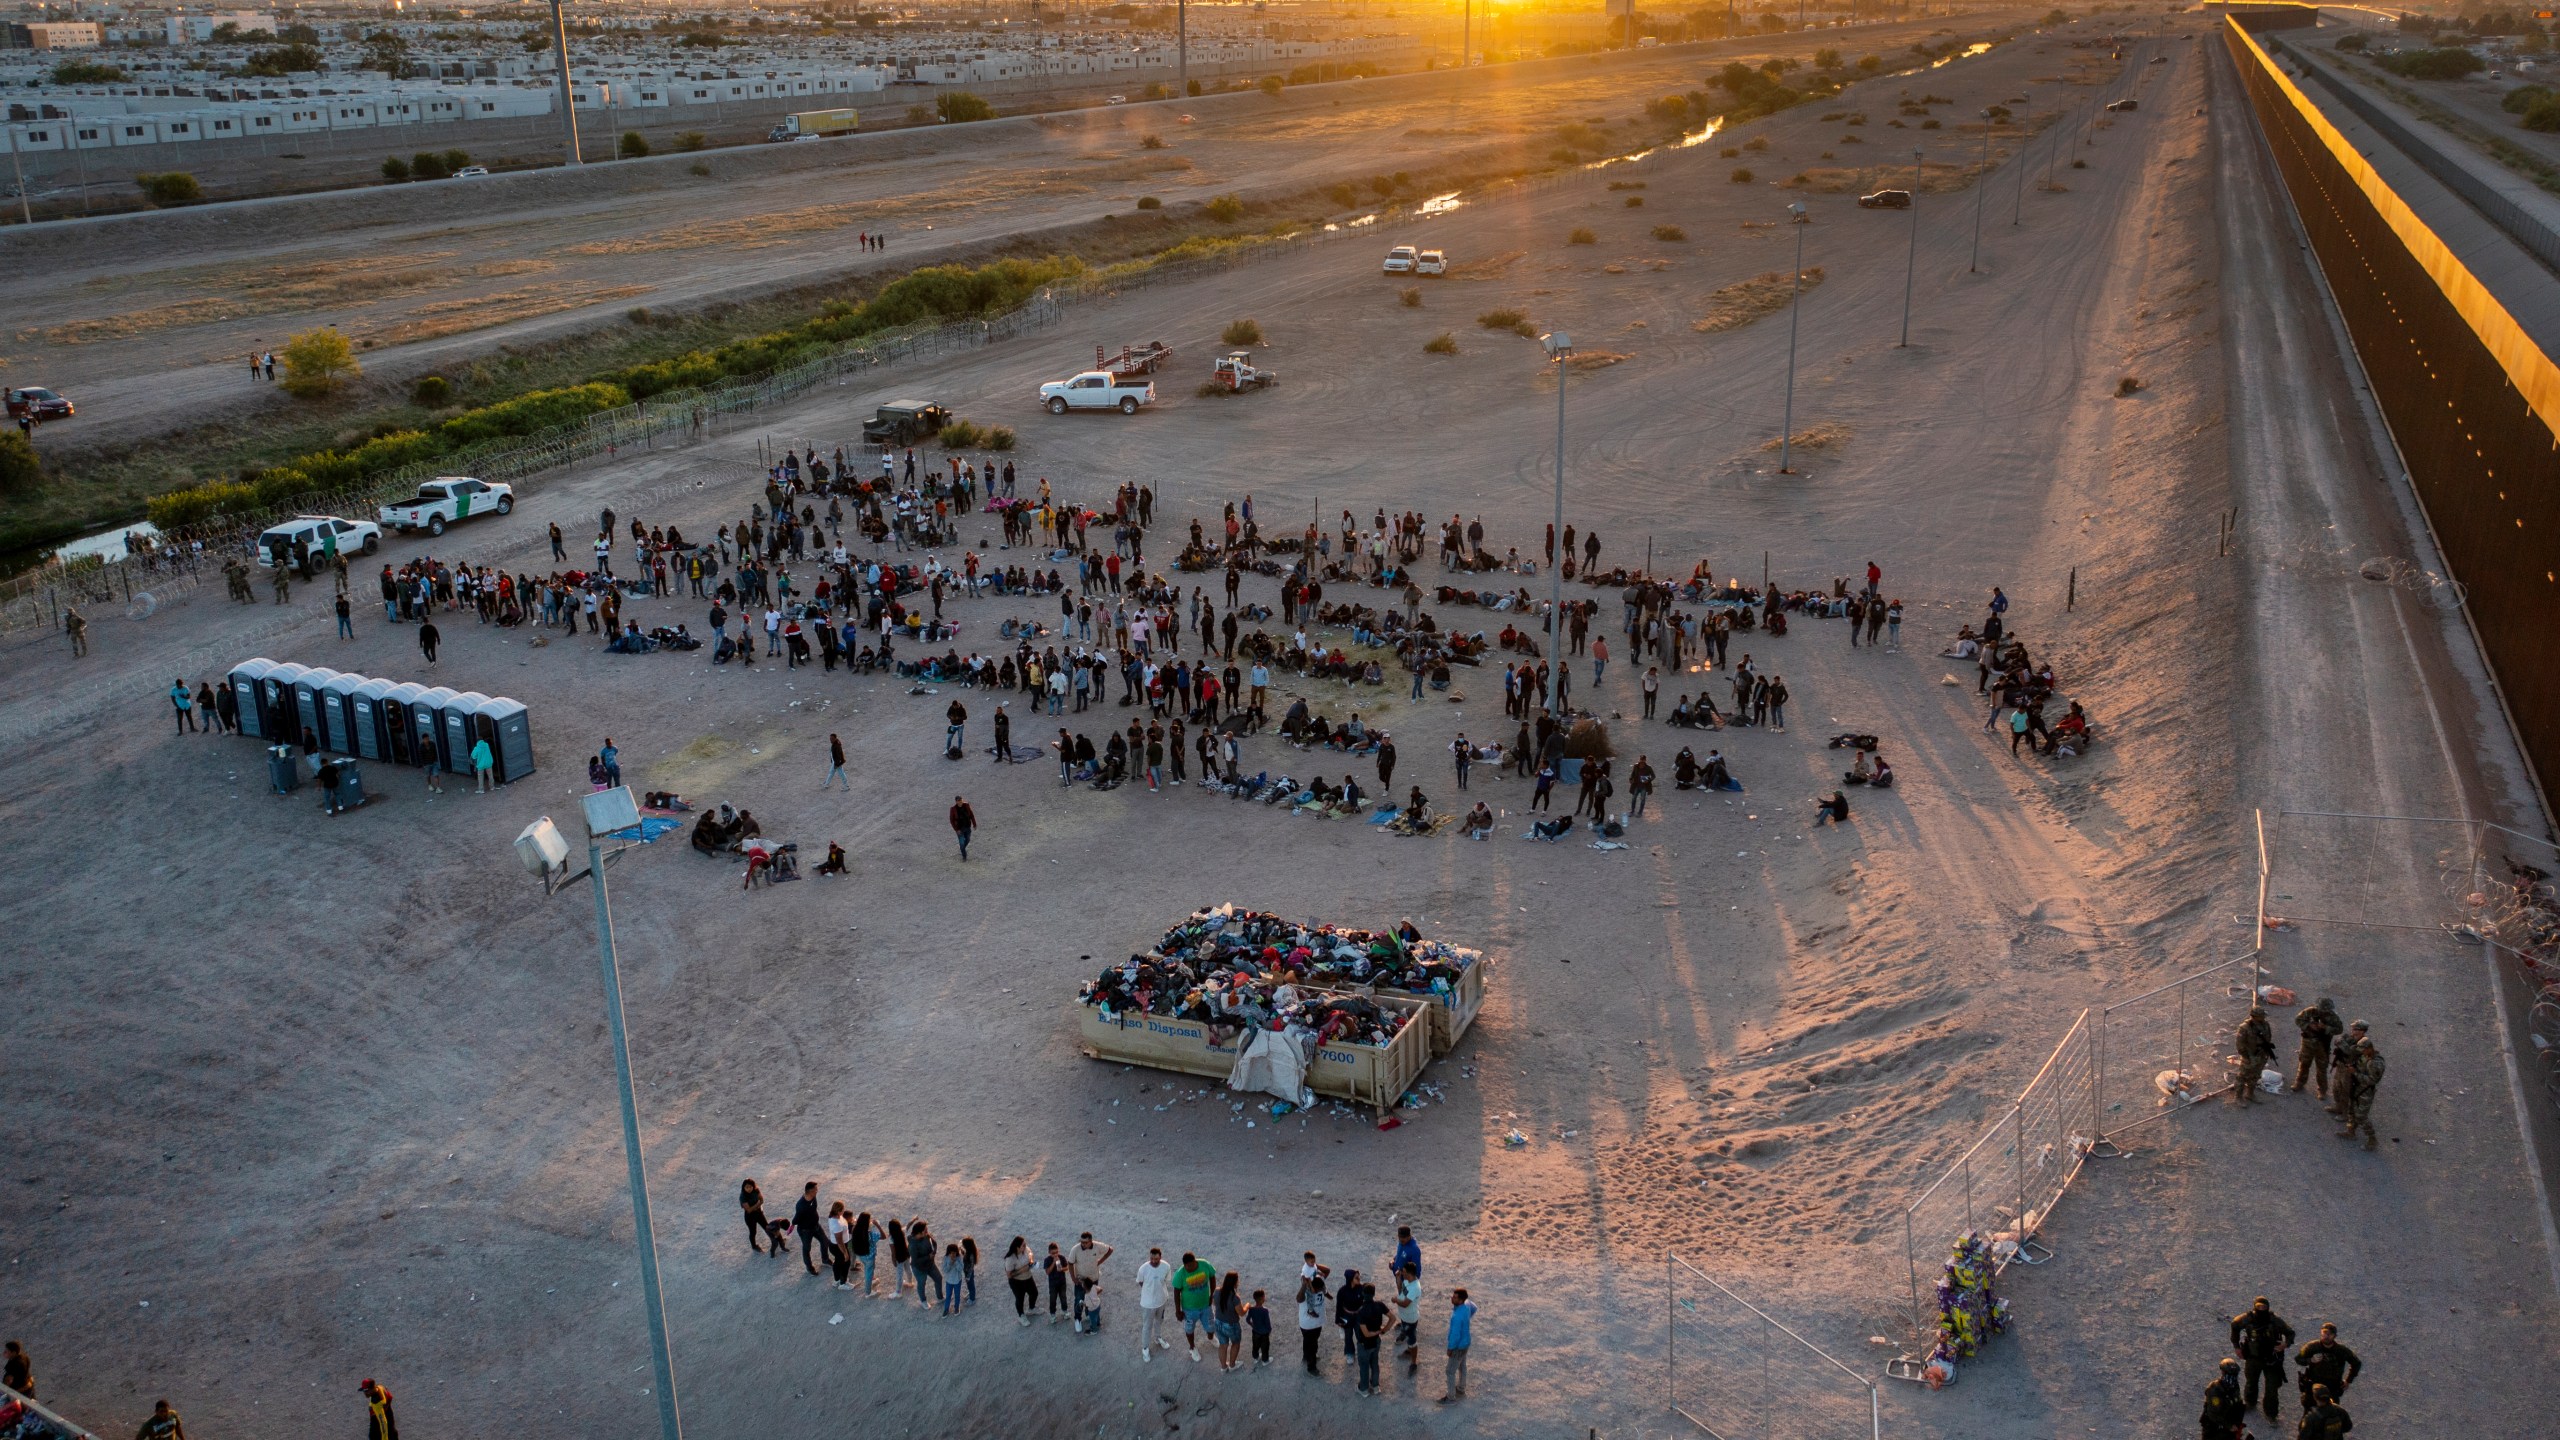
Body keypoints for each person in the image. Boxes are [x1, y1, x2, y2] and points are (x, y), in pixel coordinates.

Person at [2230, 1296, 2296, 1422]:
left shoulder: (2274, 1320)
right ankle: (2250, 1402)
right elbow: (2235, 1325)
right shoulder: (2248, 1319)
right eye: (2259, 1307)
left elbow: (2290, 1332)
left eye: (2264, 1307)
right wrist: (2237, 1347)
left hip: (2272, 1359)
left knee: (2272, 1388)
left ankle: (2271, 1413)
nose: (2261, 1309)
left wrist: (2284, 1345)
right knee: (2251, 1382)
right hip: (2253, 1357)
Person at [2295, 1322, 2361, 1411]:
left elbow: (2356, 1363)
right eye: (2324, 1332)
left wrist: (2348, 1380)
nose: (2326, 1336)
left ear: (2334, 1336)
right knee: (2309, 1410)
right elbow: (2298, 1359)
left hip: (2332, 1386)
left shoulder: (2341, 1350)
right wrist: (2310, 1360)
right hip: (2314, 1385)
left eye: (2329, 1334)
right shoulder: (2312, 1347)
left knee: (2331, 1412)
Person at [1171, 1251, 1217, 1361]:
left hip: (1206, 1305)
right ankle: (1192, 1348)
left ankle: (1211, 1337)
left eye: (1190, 1265)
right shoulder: (1180, 1273)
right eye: (1186, 1266)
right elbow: (1176, 1292)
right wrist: (1178, 1310)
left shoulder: (1205, 1264)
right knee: (1189, 1329)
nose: (1188, 1268)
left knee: (1211, 1325)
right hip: (1189, 1309)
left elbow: (1212, 1277)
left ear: (1195, 1261)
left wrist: (1212, 1294)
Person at [2293, 998, 2341, 1098]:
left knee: (2322, 1069)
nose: (2324, 1012)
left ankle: (2322, 1090)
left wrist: (2325, 1028)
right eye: (2322, 1010)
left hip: (2323, 1046)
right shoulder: (2310, 1011)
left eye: (2326, 1010)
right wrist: (2309, 1025)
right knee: (2304, 1064)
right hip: (2308, 1043)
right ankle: (2300, 1082)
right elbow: (2298, 1020)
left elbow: (2339, 1029)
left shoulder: (2333, 1017)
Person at [2343, 1034, 2384, 1150]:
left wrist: (2354, 1072)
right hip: (2357, 1087)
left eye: (2363, 1050)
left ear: (2369, 1048)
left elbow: (2371, 1080)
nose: (2362, 1052)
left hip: (2365, 1092)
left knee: (2361, 1116)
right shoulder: (2365, 1056)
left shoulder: (2376, 1063)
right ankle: (2350, 1131)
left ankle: (2372, 1139)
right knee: (2351, 1110)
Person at [1136, 1247, 1174, 1361]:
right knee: (1147, 1326)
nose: (1153, 1261)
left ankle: (1158, 1338)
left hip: (1161, 1301)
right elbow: (1140, 1282)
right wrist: (1149, 1292)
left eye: (1156, 1259)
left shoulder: (1166, 1266)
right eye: (1151, 1258)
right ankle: (1145, 1348)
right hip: (1147, 1304)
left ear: (1160, 1257)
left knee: (1159, 1321)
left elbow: (1166, 1281)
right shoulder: (1143, 1269)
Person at [1437, 1287, 1474, 1403]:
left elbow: (1455, 1335)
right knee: (1462, 1366)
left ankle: (1451, 1397)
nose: (1452, 1298)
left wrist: (1450, 1348)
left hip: (1458, 1347)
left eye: (1455, 1297)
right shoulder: (1466, 1306)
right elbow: (1474, 1307)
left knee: (1450, 1371)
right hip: (1466, 1342)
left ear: (1461, 1300)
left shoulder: (1457, 1316)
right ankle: (1461, 1388)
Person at [2233, 1007, 2275, 1105]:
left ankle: (2250, 1093)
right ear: (2255, 1017)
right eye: (2261, 1016)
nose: (2264, 1017)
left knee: (2255, 1075)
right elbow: (2240, 1044)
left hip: (2261, 1055)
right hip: (2250, 1056)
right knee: (2242, 1076)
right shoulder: (2245, 1028)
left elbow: (2268, 1038)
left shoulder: (2265, 1025)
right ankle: (2238, 1097)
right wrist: (2246, 1057)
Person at [1071, 1232, 1113, 1331]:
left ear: (1091, 1241)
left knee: (1091, 1297)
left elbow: (1110, 1250)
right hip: (1081, 1280)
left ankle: (1089, 1314)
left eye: (1085, 1242)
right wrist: (1073, 1278)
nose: (1082, 1244)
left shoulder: (1097, 1246)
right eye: (1081, 1242)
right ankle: (1077, 1319)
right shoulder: (1075, 1249)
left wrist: (1100, 1261)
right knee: (1079, 1299)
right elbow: (1070, 1263)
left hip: (1093, 1279)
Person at [2200, 1357, 2247, 1439]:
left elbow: (2237, 1402)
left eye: (2234, 1374)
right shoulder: (2215, 1390)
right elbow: (2214, 1414)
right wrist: (2229, 1425)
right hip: (2215, 1427)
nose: (2233, 1378)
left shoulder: (2234, 1386)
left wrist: (2237, 1424)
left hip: (2229, 1424)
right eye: (2230, 1374)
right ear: (2223, 1373)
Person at [1296, 1269, 1330, 1375]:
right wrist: (1304, 1285)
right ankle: (1312, 1367)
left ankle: (1307, 1356)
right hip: (1308, 1325)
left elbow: (1327, 1271)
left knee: (1309, 1341)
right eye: (1318, 1289)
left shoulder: (1318, 1281)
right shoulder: (1306, 1292)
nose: (1321, 1291)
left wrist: (1314, 1266)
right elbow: (1298, 1299)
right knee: (1313, 1345)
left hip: (1317, 1323)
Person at [793, 1182, 825, 1274]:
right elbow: (796, 1220)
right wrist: (792, 1224)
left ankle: (825, 1259)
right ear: (810, 1191)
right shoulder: (801, 1205)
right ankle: (809, 1267)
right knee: (807, 1248)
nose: (817, 1191)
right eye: (815, 1189)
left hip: (816, 1226)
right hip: (806, 1230)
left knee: (825, 1242)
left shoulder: (813, 1197)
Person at [1043, 1241, 1074, 1323]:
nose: (1055, 1254)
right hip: (1053, 1284)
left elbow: (1067, 1267)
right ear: (1049, 1252)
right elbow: (1047, 1272)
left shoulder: (1062, 1257)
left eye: (1057, 1252)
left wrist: (1062, 1269)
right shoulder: (1047, 1260)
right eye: (1053, 1253)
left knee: (1063, 1297)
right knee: (1053, 1298)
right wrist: (1054, 1262)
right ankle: (1052, 1314)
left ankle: (1065, 1311)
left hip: (1062, 1282)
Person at [949, 795, 976, 860]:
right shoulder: (953, 809)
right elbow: (951, 820)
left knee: (968, 839)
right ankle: (964, 856)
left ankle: (962, 849)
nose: (960, 802)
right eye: (959, 801)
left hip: (967, 827)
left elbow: (971, 815)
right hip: (959, 829)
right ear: (956, 802)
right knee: (961, 843)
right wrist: (956, 829)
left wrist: (974, 824)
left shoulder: (966, 805)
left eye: (961, 800)